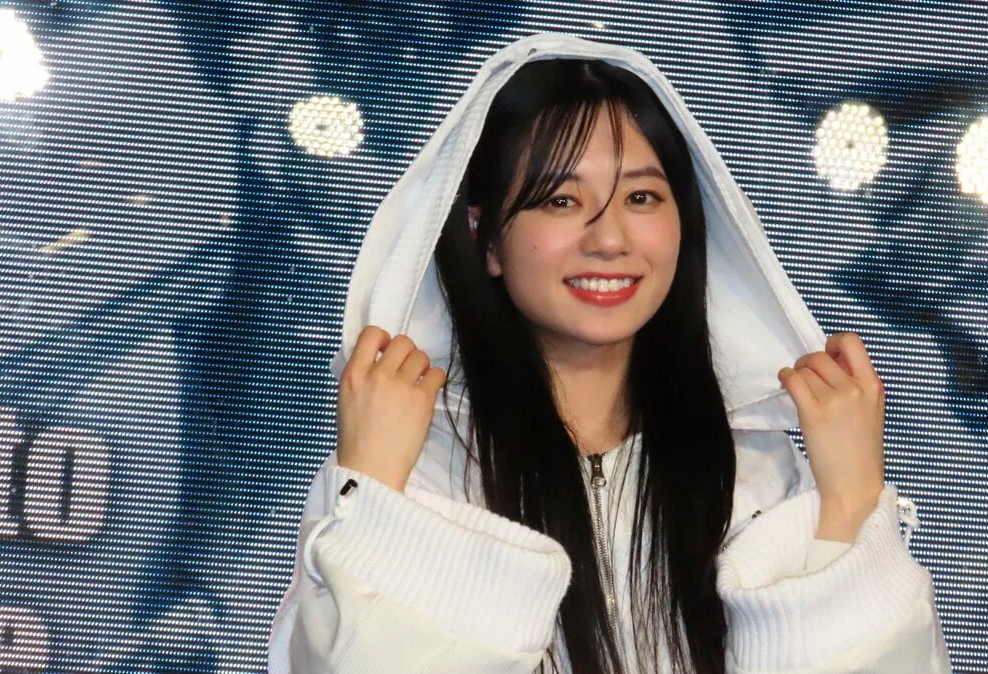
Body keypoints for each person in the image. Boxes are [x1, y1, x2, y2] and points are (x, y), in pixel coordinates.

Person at [266, 33, 951, 673]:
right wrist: (371, 493)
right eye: (561, 201)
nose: (610, 239)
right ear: (486, 238)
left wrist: (853, 501)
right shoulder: (415, 466)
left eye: (642, 197)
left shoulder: (763, 476)